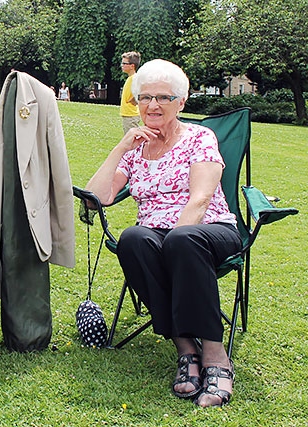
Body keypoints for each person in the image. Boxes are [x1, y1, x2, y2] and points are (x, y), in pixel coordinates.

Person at [85, 59, 241, 408]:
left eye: (163, 98)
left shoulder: (200, 138)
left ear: (180, 103)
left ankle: (215, 355)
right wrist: (120, 148)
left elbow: (200, 198)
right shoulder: (136, 148)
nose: (152, 105)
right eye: (145, 97)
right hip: (155, 235)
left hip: (207, 230)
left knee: (182, 240)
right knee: (133, 238)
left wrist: (174, 241)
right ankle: (186, 348)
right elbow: (97, 199)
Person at [120, 51, 141, 134]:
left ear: (132, 66)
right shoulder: (130, 78)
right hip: (128, 114)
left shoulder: (134, 78)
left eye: (124, 63)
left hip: (131, 114)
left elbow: (140, 93)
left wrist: (132, 101)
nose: (122, 65)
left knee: (131, 140)